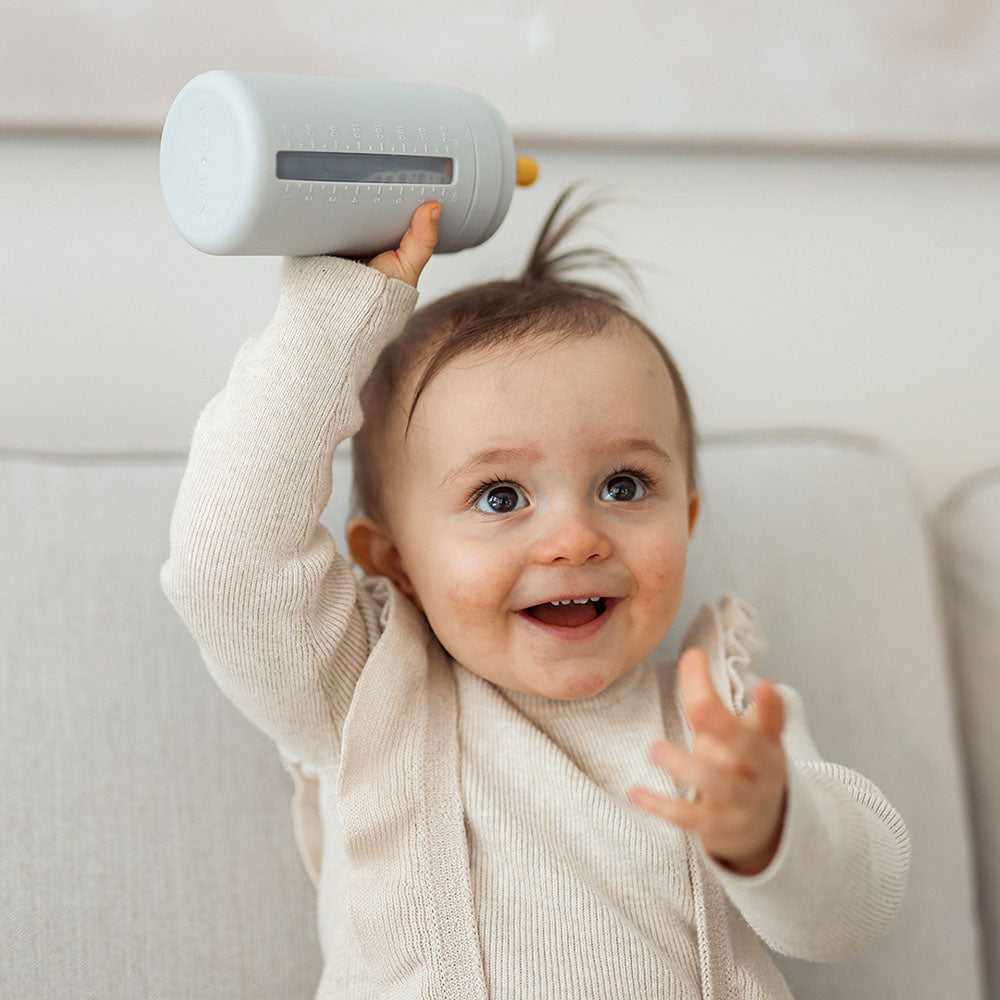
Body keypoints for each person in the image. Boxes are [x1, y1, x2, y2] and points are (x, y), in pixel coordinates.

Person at [161, 190, 909, 999]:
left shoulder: (722, 723)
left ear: (687, 521)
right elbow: (226, 562)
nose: (574, 538)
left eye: (624, 484)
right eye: (500, 497)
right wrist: (334, 314)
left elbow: (855, 911)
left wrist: (776, 834)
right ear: (396, 564)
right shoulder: (364, 694)